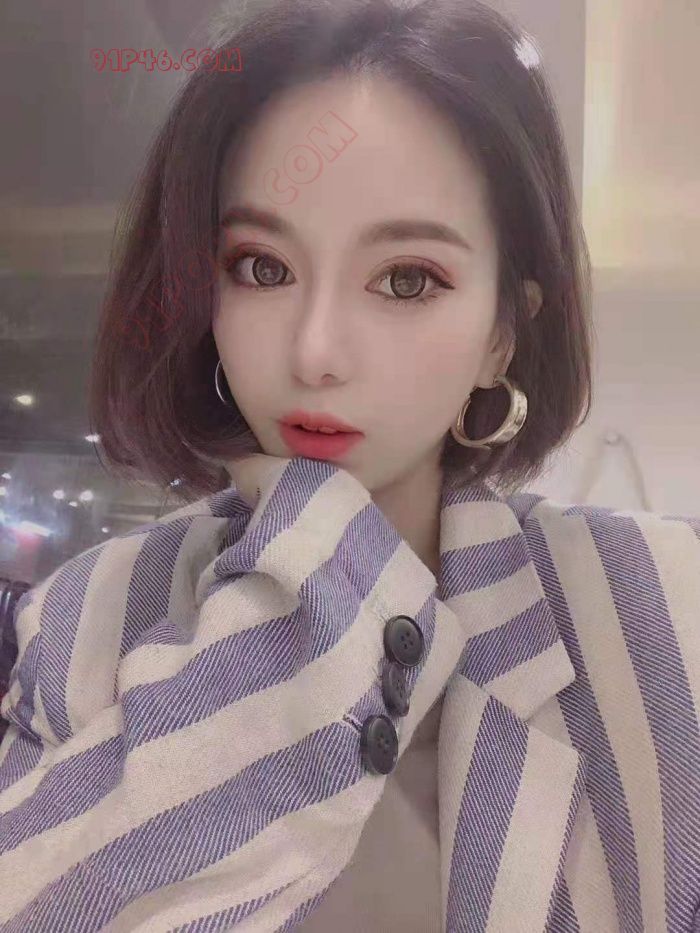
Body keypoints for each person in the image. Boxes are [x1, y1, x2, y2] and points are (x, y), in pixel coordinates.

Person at [1, 0, 699, 929]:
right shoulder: (83, 623)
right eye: (261, 268)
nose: (315, 351)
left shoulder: (662, 609)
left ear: (501, 334)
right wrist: (312, 563)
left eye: (407, 279)